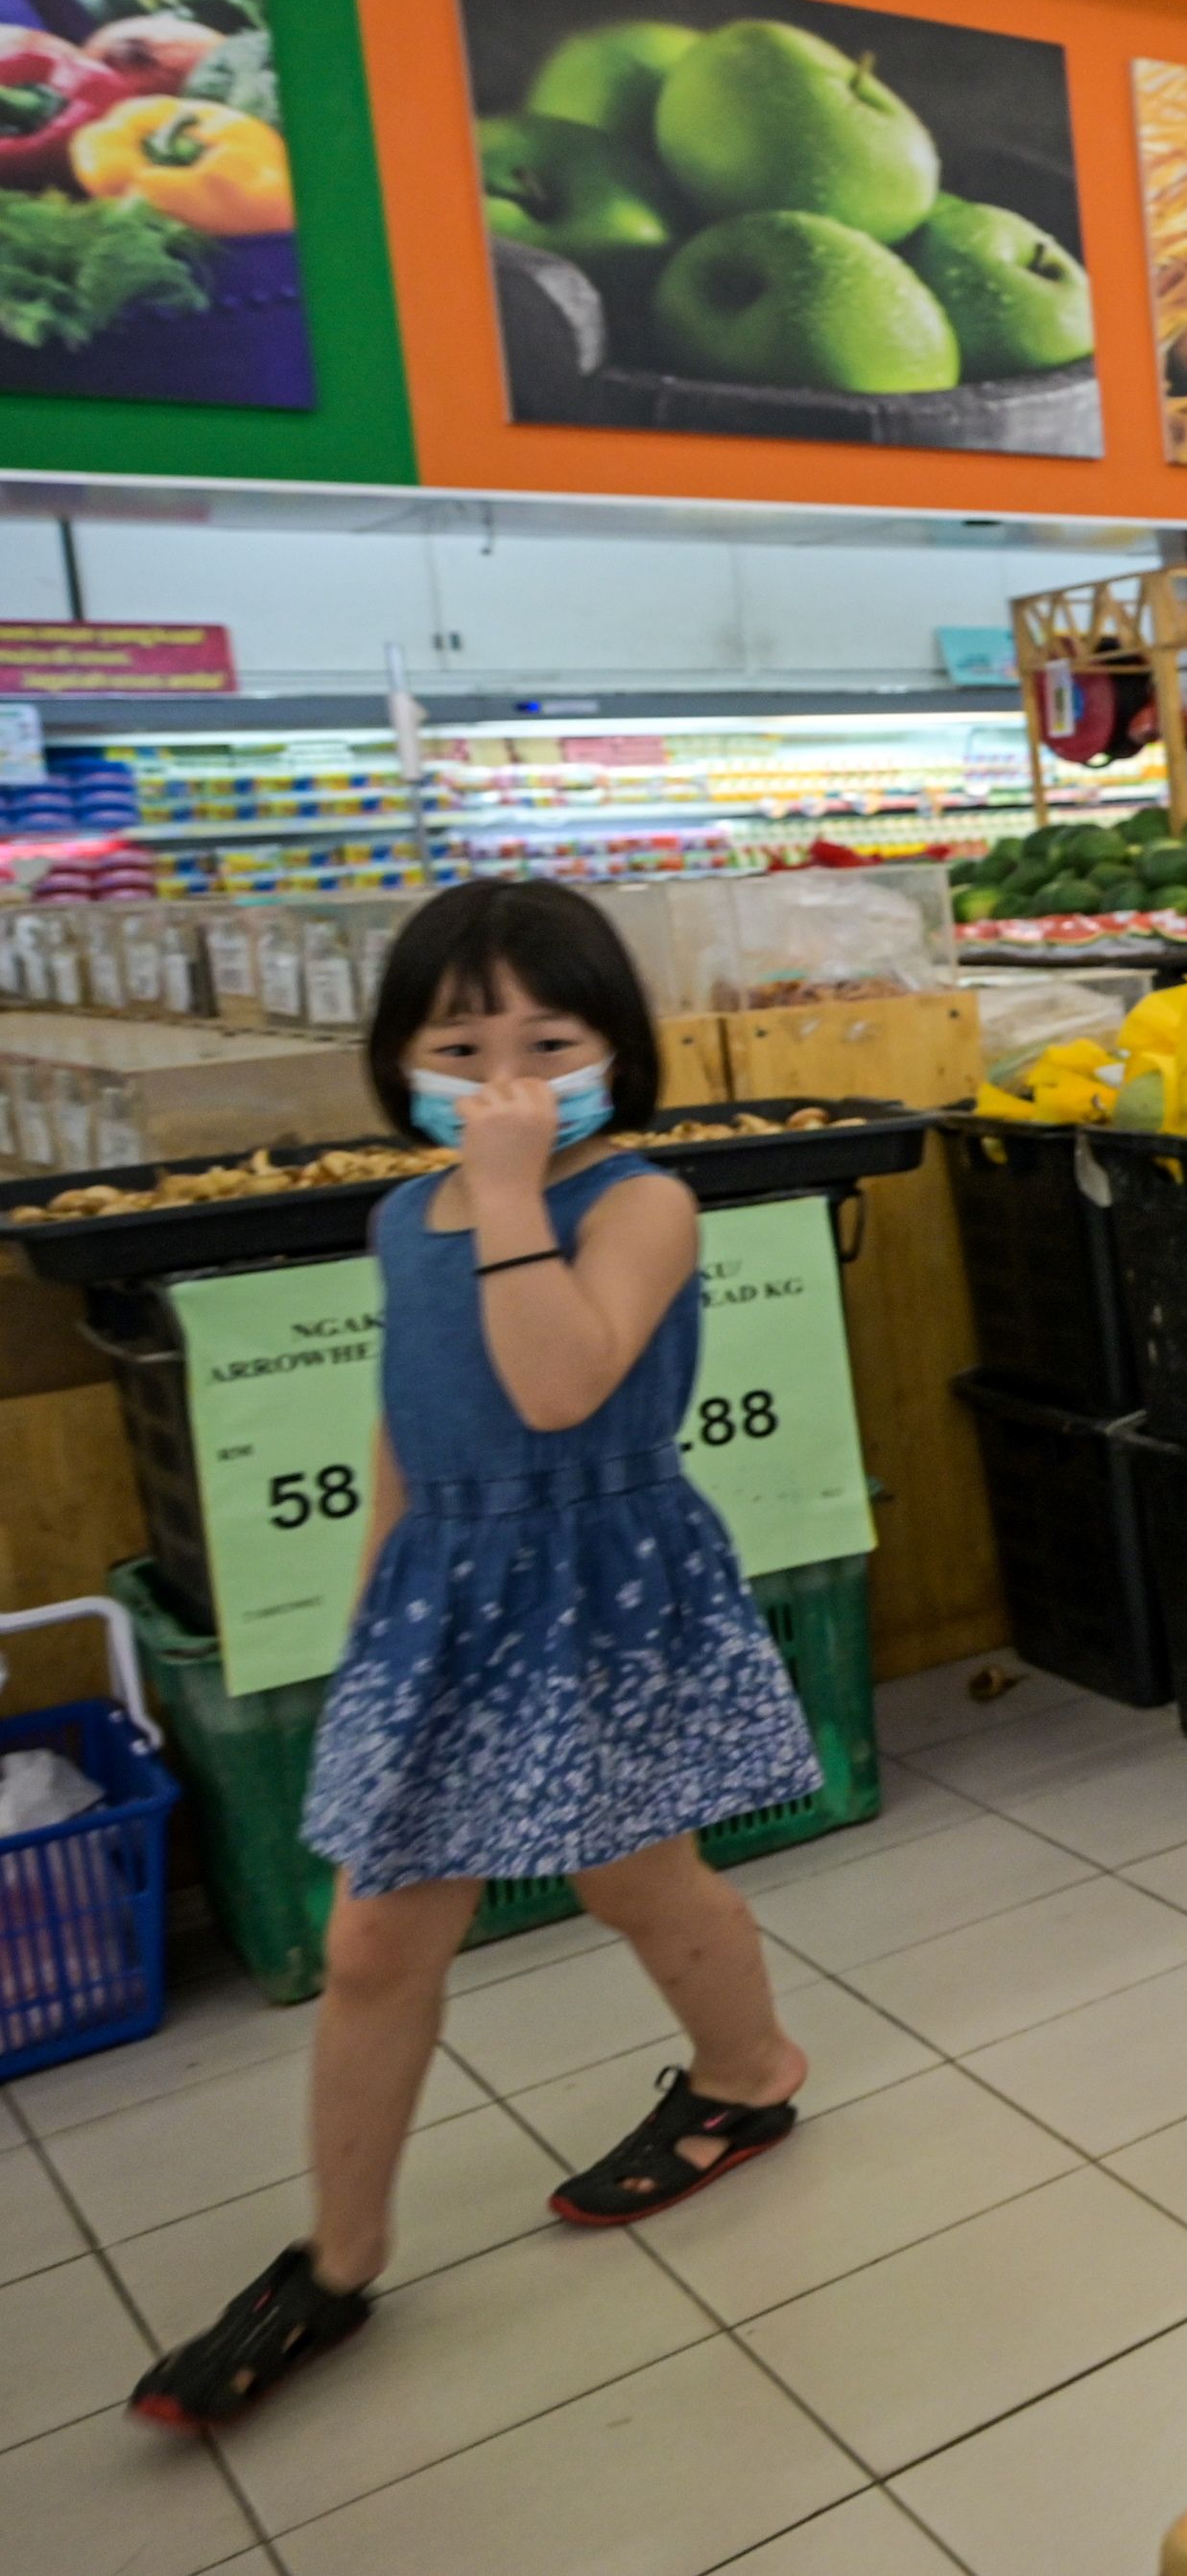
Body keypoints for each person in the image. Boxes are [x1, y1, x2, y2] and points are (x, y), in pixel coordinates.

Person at [133, 880, 829, 2428]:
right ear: (400, 1058)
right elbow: (410, 1410)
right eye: (461, 1041)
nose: (505, 1074)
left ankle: (752, 2068)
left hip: (601, 1585)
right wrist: (378, 1608)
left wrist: (513, 1188)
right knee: (376, 1938)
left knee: (637, 1873)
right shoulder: (401, 1213)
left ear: (618, 1052)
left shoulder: (639, 1200)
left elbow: (567, 1378)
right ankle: (336, 2258)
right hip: (444, 1594)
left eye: (548, 1037)